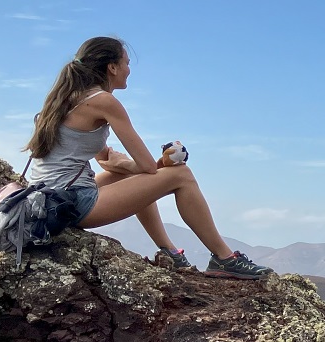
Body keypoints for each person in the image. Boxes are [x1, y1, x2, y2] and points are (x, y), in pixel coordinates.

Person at [24, 36, 272, 279]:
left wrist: (140, 166)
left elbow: (104, 157)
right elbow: (146, 167)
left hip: (47, 200)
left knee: (136, 174)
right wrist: (162, 166)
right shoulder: (104, 102)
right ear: (112, 67)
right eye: (126, 63)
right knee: (182, 175)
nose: (129, 69)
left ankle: (170, 252)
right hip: (70, 204)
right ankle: (224, 258)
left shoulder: (65, 99)